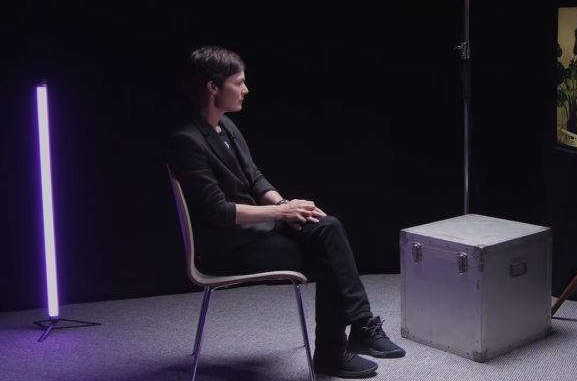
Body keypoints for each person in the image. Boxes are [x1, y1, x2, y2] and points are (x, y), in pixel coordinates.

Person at [166, 45, 405, 378]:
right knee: (326, 258)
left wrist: (283, 205)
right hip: (225, 248)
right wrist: (280, 214)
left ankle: (359, 330)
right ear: (213, 87)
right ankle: (341, 346)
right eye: (239, 82)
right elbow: (218, 212)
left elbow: (254, 177)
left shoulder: (227, 127)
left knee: (326, 224)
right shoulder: (186, 140)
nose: (246, 90)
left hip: (255, 231)